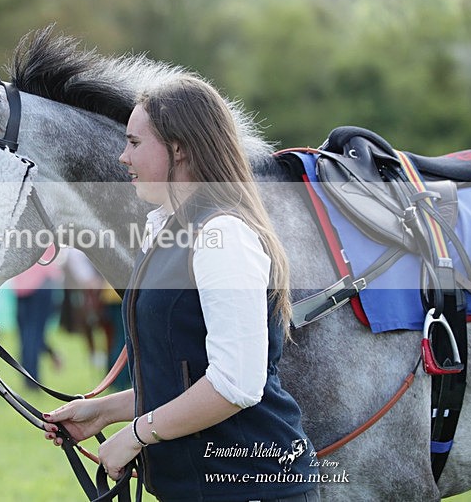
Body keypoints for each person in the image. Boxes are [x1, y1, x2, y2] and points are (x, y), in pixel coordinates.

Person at [43, 75, 319, 501]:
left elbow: (234, 384)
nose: (123, 157)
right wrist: (105, 411)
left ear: (179, 149)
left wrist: (135, 434)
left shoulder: (222, 235)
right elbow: (183, 375)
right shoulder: (168, 231)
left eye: (134, 143)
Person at [11, 248, 63, 389]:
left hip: (20, 285)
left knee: (26, 335)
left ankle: (29, 380)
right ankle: (32, 382)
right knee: (34, 334)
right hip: (41, 282)